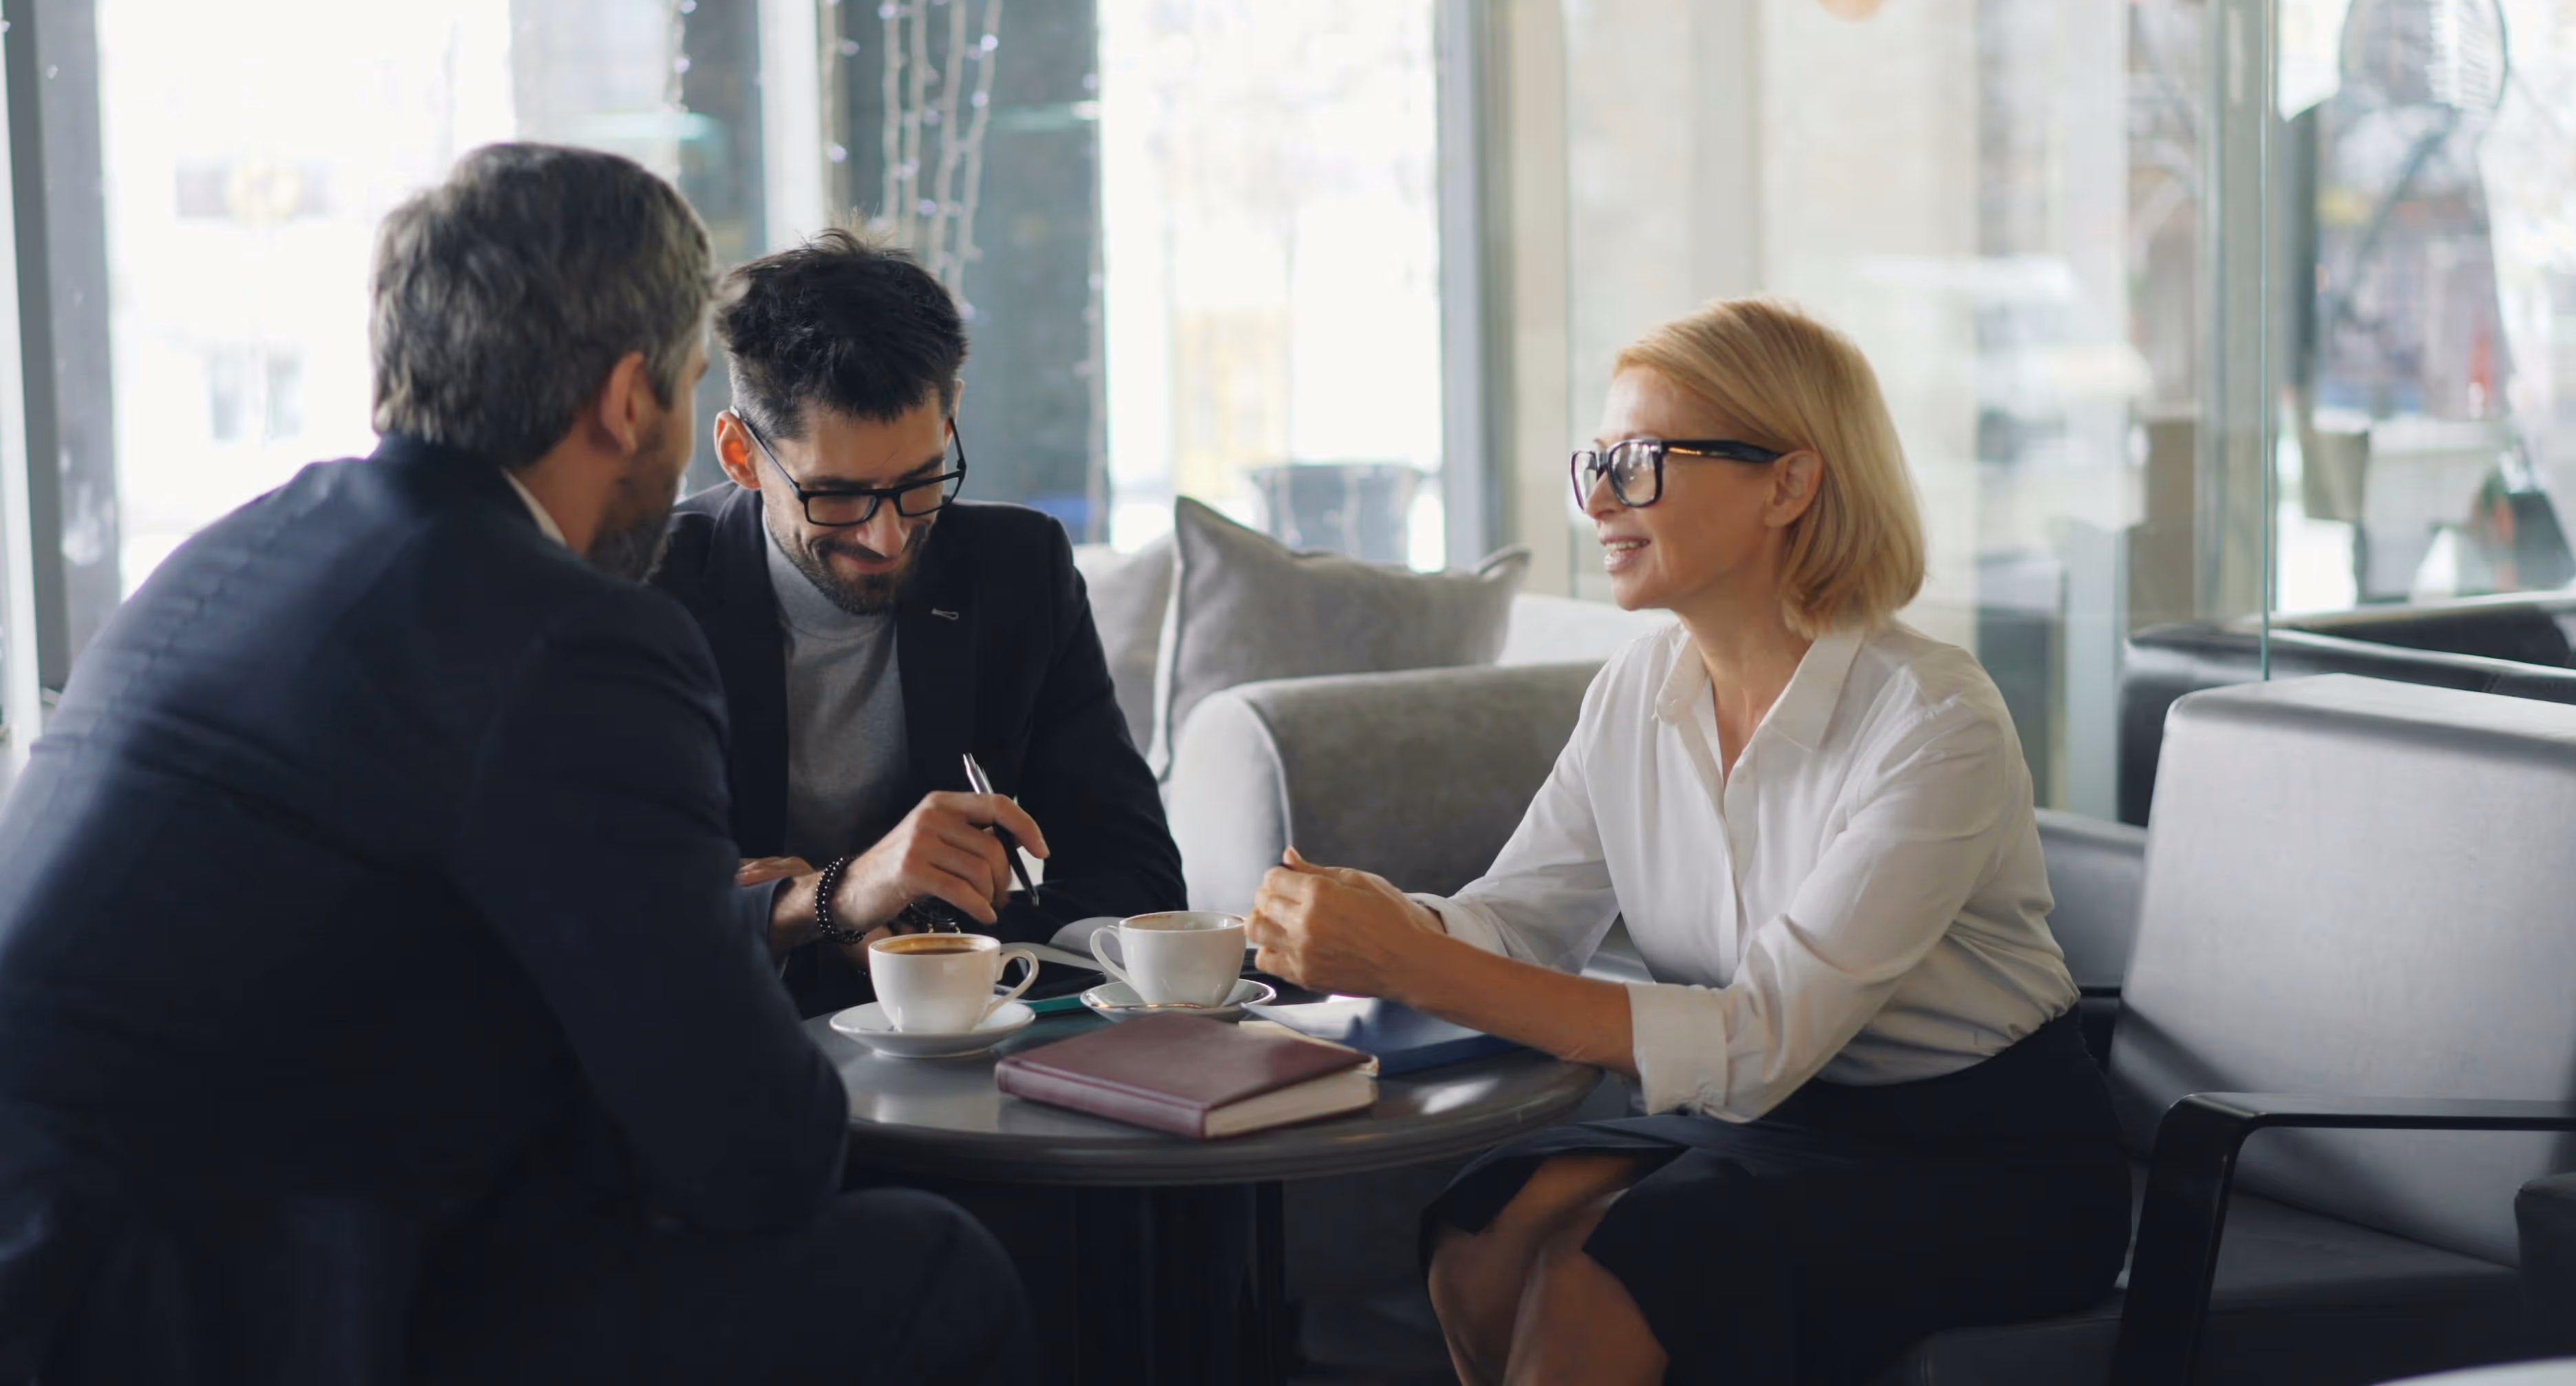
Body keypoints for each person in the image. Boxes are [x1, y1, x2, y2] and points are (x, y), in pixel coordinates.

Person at [0, 145, 1026, 1385]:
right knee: (929, 1271)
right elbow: (760, 1156)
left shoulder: (239, 555)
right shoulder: (569, 634)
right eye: (690, 384)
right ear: (623, 400)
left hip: (74, 1273)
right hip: (238, 1311)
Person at [1246, 298, 2131, 1385]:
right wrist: (1387, 925)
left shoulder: (1932, 717)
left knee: (1609, 1275)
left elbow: (1759, 1042)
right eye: (1599, 463)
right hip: (1774, 1121)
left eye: (1643, 461)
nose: (1603, 499)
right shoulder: (1637, 690)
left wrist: (1414, 962)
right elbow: (1520, 921)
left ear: (1790, 483)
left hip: (1984, 1159)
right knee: (1483, 1232)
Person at [650, 229, 1183, 1017]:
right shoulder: (647, 593)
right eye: (835, 496)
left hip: (962, 1045)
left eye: (921, 482)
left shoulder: (1019, 570)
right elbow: (618, 918)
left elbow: (1138, 880)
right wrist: (842, 896)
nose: (886, 537)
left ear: (950, 417)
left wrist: (896, 923)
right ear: (739, 455)